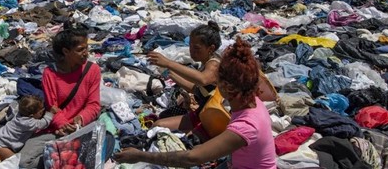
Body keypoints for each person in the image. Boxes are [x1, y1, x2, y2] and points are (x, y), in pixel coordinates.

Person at [114, 37, 276, 168]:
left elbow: (192, 158)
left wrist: (140, 156)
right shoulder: (251, 101)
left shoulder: (246, 126)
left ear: (226, 86)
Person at [18, 22, 102, 168]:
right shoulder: (50, 74)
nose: (86, 53)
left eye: (87, 48)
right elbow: (52, 107)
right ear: (66, 51)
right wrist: (64, 125)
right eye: (80, 49)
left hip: (81, 128)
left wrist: (80, 120)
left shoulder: (92, 70)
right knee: (24, 163)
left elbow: (93, 104)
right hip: (56, 129)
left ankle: (61, 160)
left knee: (106, 144)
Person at [146, 21, 230, 141]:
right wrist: (171, 75)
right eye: (190, 46)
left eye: (196, 48)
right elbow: (196, 88)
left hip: (211, 120)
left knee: (183, 139)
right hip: (202, 115)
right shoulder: (205, 63)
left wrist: (169, 63)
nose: (192, 51)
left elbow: (203, 80)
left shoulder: (214, 65)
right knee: (158, 125)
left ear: (210, 48)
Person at [0, 95, 60, 161]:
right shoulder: (27, 123)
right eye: (41, 112)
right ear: (31, 115)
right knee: (14, 162)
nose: (43, 113)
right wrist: (50, 113)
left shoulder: (19, 114)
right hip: (3, 145)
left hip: (0, 139)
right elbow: (43, 124)